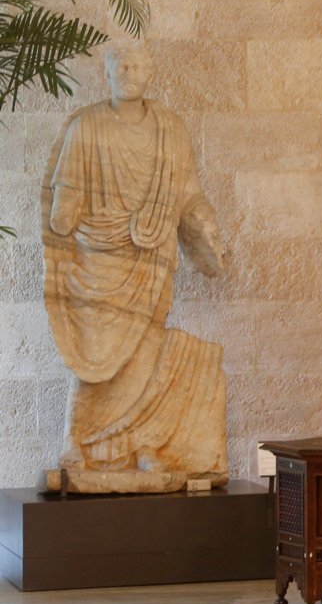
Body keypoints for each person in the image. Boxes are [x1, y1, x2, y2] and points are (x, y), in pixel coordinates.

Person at [41, 45, 227, 492]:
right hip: (96, 258)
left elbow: (186, 192)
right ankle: (77, 443)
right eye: (120, 65)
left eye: (138, 65)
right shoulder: (87, 127)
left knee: (145, 350)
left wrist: (204, 221)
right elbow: (64, 199)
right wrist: (66, 211)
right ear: (107, 73)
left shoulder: (171, 129)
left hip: (150, 257)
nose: (129, 71)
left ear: (150, 73)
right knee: (92, 358)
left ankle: (143, 444)